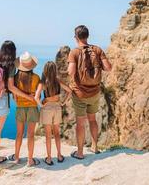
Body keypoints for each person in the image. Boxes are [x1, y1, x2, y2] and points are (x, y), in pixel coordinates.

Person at [67, 25, 112, 159]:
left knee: (80, 123)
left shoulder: (74, 52)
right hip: (95, 92)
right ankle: (95, 146)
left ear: (76, 37)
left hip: (80, 93)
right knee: (92, 120)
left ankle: (80, 153)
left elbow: (70, 71)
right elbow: (108, 68)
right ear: (88, 36)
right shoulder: (97, 49)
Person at [35, 61, 72, 166]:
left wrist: (42, 105)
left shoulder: (43, 83)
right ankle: (60, 156)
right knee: (56, 133)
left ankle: (49, 158)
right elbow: (70, 91)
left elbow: (36, 98)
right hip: (57, 107)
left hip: (47, 109)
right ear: (54, 70)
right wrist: (63, 102)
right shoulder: (58, 81)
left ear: (45, 71)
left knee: (48, 135)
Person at [8, 51, 40, 167]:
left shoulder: (15, 78)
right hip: (32, 108)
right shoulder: (36, 78)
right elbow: (38, 96)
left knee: (19, 134)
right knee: (31, 135)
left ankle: (16, 157)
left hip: (20, 108)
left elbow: (14, 96)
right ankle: (30, 160)